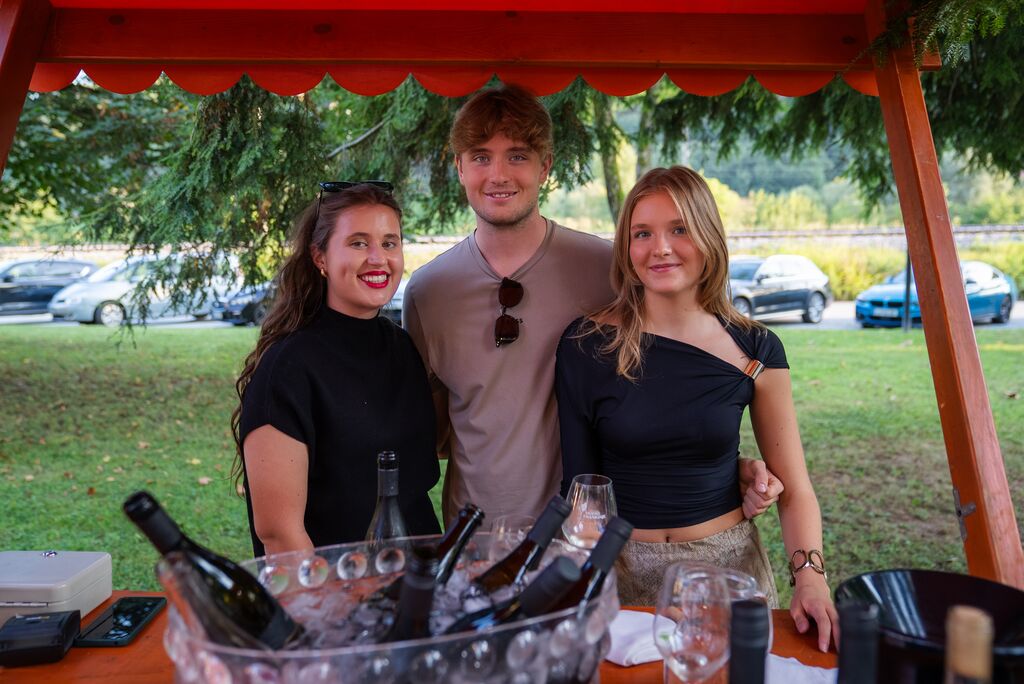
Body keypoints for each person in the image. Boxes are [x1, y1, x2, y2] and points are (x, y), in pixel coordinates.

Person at [404, 83, 781, 528]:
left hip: (592, 537)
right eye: (481, 157)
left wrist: (726, 469)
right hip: (473, 535)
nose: (499, 174)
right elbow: (431, 434)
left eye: (518, 156)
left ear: (545, 166)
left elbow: (679, 379)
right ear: (459, 167)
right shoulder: (428, 293)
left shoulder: (610, 270)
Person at [556, 166, 838, 651]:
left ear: (708, 236)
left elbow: (795, 489)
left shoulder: (756, 350)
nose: (660, 248)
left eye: (679, 229)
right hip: (622, 577)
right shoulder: (586, 345)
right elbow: (582, 492)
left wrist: (810, 577)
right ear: (626, 247)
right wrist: (587, 585)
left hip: (726, 573)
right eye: (642, 233)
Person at [231, 182, 440, 557]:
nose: (378, 258)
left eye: (389, 243)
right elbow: (280, 536)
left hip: (420, 580)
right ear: (320, 257)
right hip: (336, 586)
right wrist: (336, 597)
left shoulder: (402, 347)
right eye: (358, 243)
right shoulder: (288, 369)